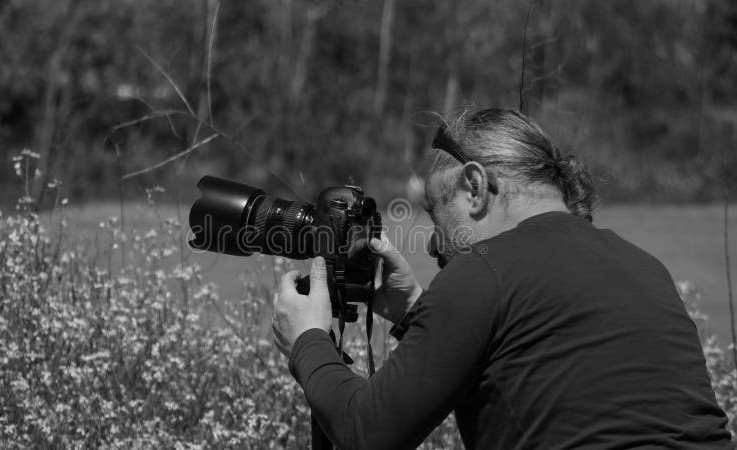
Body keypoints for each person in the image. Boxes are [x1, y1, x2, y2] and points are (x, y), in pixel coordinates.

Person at [271, 108, 734, 449]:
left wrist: (308, 340)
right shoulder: (646, 267)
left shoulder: (484, 269)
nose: (433, 245)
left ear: (475, 187)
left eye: (436, 215)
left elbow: (364, 435)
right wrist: (417, 312)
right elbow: (533, 371)